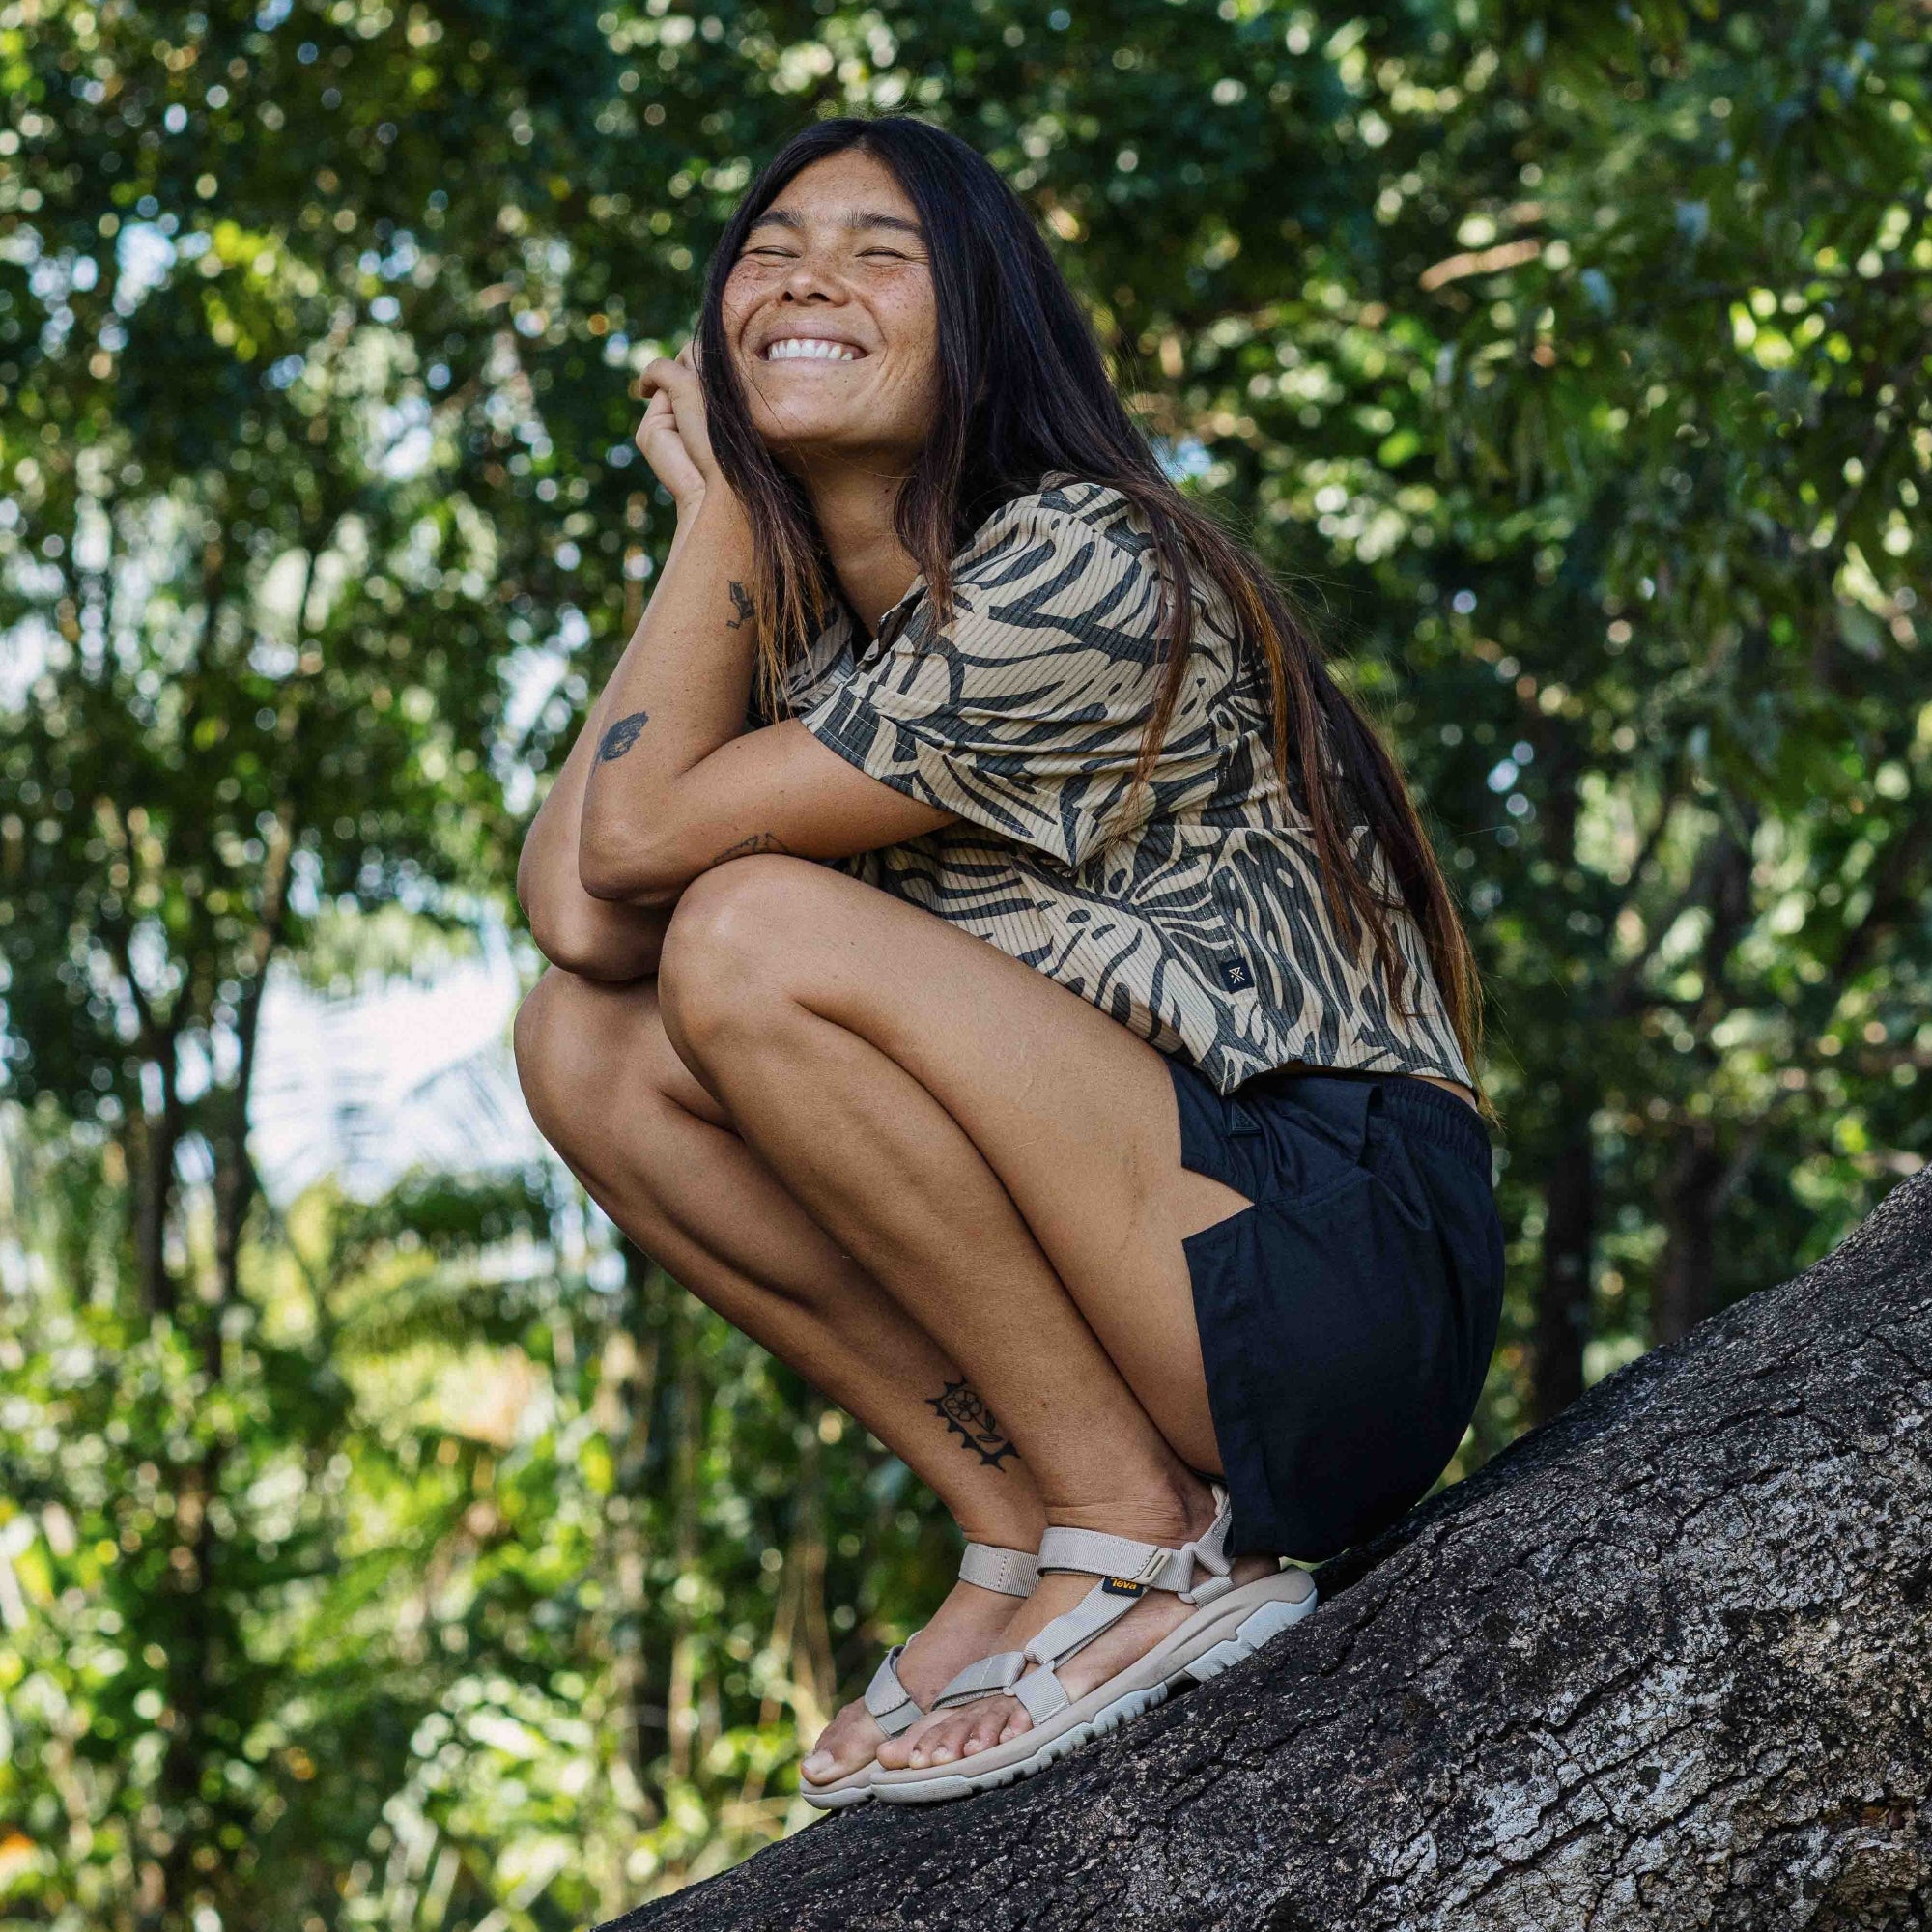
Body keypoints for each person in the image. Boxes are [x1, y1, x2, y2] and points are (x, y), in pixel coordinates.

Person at [511, 113, 1505, 1809]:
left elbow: (631, 849)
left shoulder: (1085, 565)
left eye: (878, 249)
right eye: (769, 250)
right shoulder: (835, 653)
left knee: (748, 936)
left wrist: (721, 513)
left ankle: (1140, 1532)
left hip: (1331, 1258)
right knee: (580, 1046)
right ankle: (1021, 1521)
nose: (808, 273)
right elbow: (583, 921)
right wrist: (724, 523)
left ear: (984, 327)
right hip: (1152, 1251)